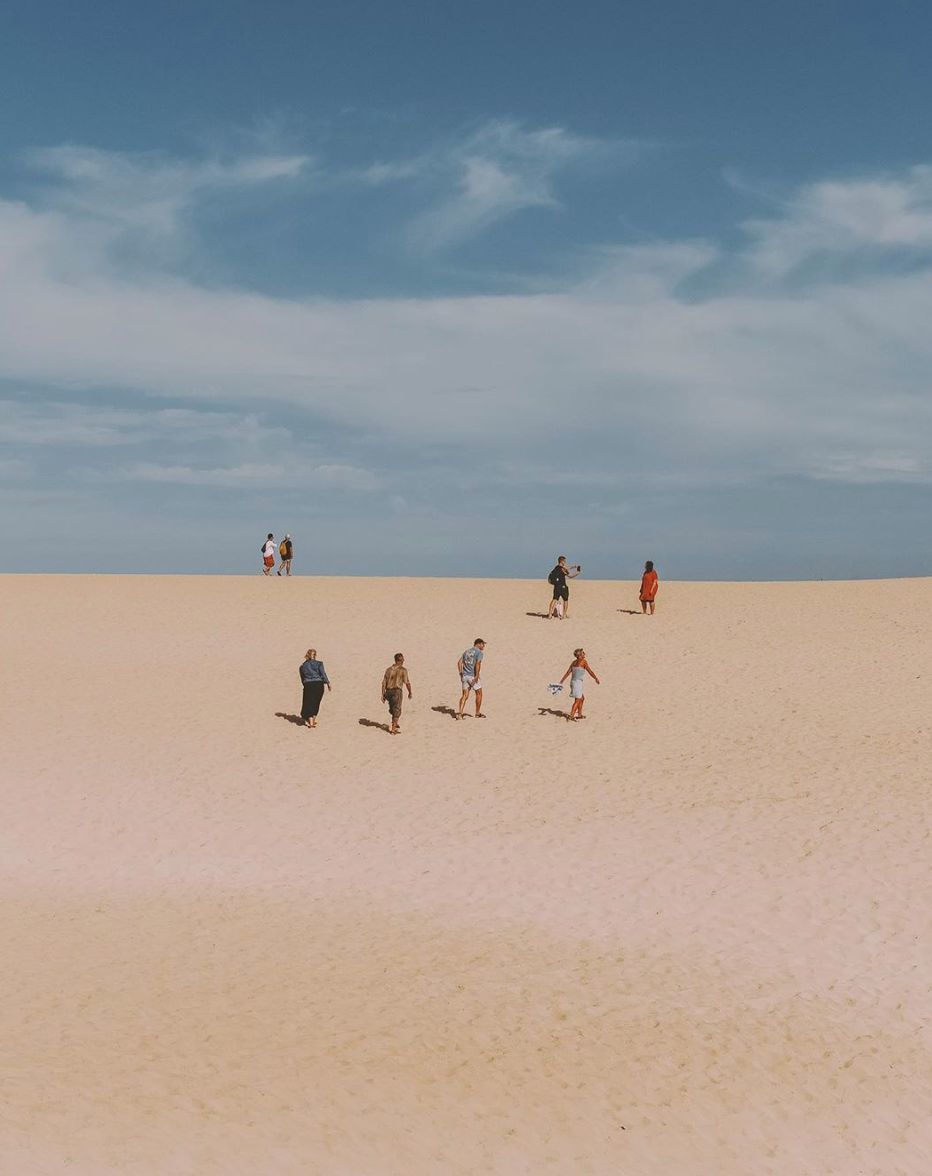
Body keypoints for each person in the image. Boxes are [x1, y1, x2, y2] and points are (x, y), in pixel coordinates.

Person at [560, 648, 600, 721]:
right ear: (580, 655)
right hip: (577, 683)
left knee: (582, 698)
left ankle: (579, 714)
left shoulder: (573, 662)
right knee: (578, 700)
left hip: (573, 682)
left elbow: (568, 673)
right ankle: (571, 716)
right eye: (583, 653)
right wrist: (595, 678)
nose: (584, 653)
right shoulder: (583, 661)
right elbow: (590, 671)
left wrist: (561, 681)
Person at [381, 652, 412, 735]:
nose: (404, 661)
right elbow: (407, 682)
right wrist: (410, 692)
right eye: (402, 659)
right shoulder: (403, 670)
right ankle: (393, 729)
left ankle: (395, 722)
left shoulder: (388, 670)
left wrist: (383, 694)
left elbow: (383, 682)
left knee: (392, 709)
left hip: (388, 692)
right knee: (397, 709)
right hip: (397, 692)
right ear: (400, 660)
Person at [299, 648, 331, 728]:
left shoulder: (303, 666)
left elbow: (302, 678)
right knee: (316, 701)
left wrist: (305, 685)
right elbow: (323, 674)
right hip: (318, 684)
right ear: (315, 655)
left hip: (308, 684)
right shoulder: (319, 663)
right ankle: (312, 720)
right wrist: (328, 683)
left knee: (309, 702)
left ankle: (311, 721)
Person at [456, 638, 487, 719]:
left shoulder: (466, 651)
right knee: (479, 693)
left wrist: (461, 673)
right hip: (472, 676)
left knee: (464, 695)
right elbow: (478, 664)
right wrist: (476, 675)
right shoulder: (479, 652)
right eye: (483, 644)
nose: (483, 646)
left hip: (465, 676)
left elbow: (459, 662)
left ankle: (460, 713)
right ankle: (477, 713)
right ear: (479, 644)